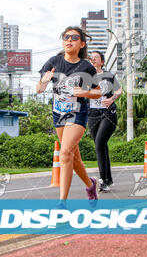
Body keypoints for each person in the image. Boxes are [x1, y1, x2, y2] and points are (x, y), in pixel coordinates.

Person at [37, 26, 102, 207]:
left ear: (81, 44)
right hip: (59, 113)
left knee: (64, 152)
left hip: (77, 113)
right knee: (73, 158)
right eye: (66, 37)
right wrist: (44, 80)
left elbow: (98, 93)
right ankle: (90, 185)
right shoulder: (54, 61)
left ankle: (62, 203)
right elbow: (39, 89)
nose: (69, 40)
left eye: (74, 37)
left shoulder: (86, 66)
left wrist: (84, 92)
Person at [88, 51, 122, 192]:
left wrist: (111, 99)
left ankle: (103, 181)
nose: (93, 59)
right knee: (101, 146)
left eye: (96, 57)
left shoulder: (108, 75)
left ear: (102, 61)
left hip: (108, 114)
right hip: (93, 115)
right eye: (91, 57)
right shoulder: (86, 77)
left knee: (100, 144)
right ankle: (108, 180)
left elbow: (119, 90)